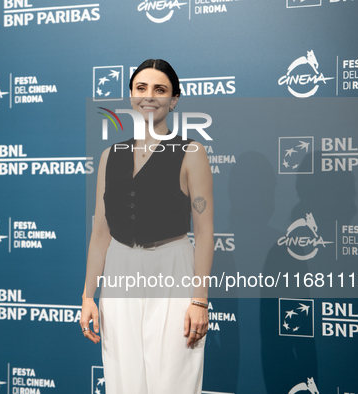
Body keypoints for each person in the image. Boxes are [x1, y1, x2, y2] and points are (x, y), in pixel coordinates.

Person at [80, 59, 214, 393]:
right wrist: (88, 295)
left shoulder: (190, 152)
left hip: (172, 266)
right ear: (130, 96)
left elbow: (205, 232)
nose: (149, 96)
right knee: (123, 379)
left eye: (160, 89)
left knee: (173, 379)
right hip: (120, 268)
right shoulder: (111, 155)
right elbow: (100, 233)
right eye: (141, 88)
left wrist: (199, 300)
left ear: (174, 99)